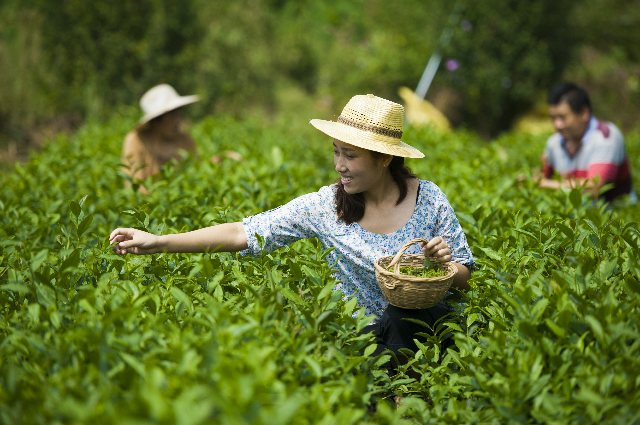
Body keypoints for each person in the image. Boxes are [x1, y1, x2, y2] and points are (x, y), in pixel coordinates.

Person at [109, 94, 476, 373]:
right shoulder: (326, 207)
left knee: (401, 317)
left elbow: (464, 276)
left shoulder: (428, 198)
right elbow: (245, 232)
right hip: (361, 344)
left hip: (422, 338)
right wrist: (158, 242)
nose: (339, 165)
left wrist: (442, 266)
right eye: (336, 152)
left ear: (384, 158)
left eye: (350, 155)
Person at [538, 82, 637, 204]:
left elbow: (593, 188)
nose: (557, 124)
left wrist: (547, 184)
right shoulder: (554, 142)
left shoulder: (606, 137)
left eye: (563, 117)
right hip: (576, 217)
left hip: (615, 218)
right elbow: (540, 176)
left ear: (584, 113)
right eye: (553, 118)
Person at [121, 84, 199, 193]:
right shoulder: (136, 140)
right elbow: (134, 184)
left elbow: (197, 176)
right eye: (172, 117)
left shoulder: (186, 141)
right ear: (156, 121)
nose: (178, 121)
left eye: (179, 115)